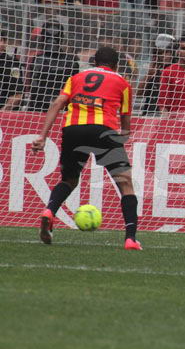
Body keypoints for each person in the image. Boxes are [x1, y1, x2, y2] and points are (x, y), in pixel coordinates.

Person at [30, 46, 141, 251]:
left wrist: (42, 137)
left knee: (69, 180)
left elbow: (57, 103)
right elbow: (125, 118)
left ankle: (49, 212)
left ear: (93, 62)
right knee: (126, 185)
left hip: (73, 129)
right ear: (116, 65)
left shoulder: (77, 77)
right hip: (104, 130)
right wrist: (123, 137)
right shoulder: (123, 83)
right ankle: (131, 238)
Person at [27, 22, 80, 112]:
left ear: (42, 37)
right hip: (54, 105)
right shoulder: (71, 61)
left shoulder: (37, 60)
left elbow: (33, 87)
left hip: (43, 106)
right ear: (61, 38)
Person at [139, 33, 175, 115]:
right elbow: (139, 93)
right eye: (161, 52)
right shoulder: (154, 71)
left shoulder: (176, 71)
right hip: (149, 115)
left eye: (167, 52)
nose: (164, 56)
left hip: (168, 117)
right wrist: (149, 74)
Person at [0, 30, 23, 111]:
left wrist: (2, 112)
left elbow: (17, 96)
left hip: (5, 115)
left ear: (5, 42)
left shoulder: (13, 65)